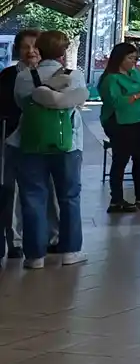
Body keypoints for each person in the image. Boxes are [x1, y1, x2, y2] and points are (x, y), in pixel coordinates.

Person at [12, 31, 88, 268]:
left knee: (33, 197)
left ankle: (35, 256)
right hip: (68, 144)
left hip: (30, 143)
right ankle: (70, 251)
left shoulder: (24, 77)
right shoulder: (74, 76)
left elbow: (20, 104)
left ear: (39, 50)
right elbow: (79, 103)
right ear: (63, 53)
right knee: (69, 197)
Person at [99, 42, 140, 213]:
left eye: (135, 58)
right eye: (130, 58)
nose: (133, 62)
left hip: (138, 122)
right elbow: (117, 102)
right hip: (120, 123)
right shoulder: (111, 79)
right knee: (121, 160)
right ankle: (116, 200)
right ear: (119, 59)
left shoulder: (135, 73)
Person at [1, 30, 42, 259]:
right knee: (13, 191)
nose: (31, 51)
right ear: (18, 49)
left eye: (35, 46)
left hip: (42, 141)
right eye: (26, 47)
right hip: (14, 138)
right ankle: (14, 240)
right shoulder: (8, 75)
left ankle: (39, 238)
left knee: (39, 192)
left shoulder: (46, 73)